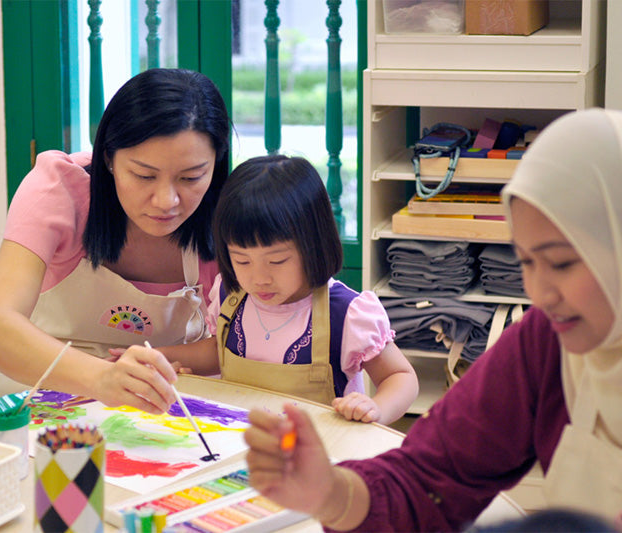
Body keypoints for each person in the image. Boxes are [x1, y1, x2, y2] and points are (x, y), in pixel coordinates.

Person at [243, 108, 622, 531]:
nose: (541, 293)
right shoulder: (546, 344)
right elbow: (430, 473)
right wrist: (332, 493)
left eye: (563, 263)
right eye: (527, 262)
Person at [0, 68, 231, 415]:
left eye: (191, 177)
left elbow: (245, 342)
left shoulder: (228, 216)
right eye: (143, 175)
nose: (166, 200)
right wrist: (104, 379)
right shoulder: (57, 189)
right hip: (39, 398)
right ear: (108, 157)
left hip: (158, 416)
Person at [167, 155, 418, 424]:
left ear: (313, 244)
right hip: (241, 447)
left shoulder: (347, 314)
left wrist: (376, 407)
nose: (259, 278)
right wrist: (157, 356)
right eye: (242, 260)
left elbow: (401, 377)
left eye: (277, 261)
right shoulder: (230, 296)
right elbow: (218, 353)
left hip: (321, 455)